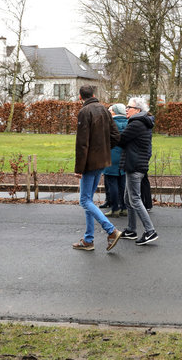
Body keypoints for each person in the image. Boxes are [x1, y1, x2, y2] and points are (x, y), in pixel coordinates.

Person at [72, 86, 122, 251]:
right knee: (88, 201)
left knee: (84, 200)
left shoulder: (84, 112)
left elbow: (82, 143)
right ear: (94, 94)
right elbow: (115, 136)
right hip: (102, 161)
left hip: (89, 163)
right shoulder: (105, 110)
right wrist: (105, 150)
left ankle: (111, 230)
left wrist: (79, 168)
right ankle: (88, 239)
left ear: (80, 97)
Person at [117, 97, 158, 245]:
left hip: (134, 166)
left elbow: (120, 140)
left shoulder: (136, 123)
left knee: (134, 199)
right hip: (135, 165)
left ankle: (150, 231)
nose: (126, 109)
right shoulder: (142, 122)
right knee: (128, 199)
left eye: (129, 107)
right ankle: (131, 229)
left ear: (138, 110)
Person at [102, 104, 128, 217]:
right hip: (124, 156)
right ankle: (124, 207)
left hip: (111, 155)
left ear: (114, 112)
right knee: (123, 184)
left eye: (110, 110)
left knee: (112, 183)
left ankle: (114, 208)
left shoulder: (109, 124)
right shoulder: (129, 123)